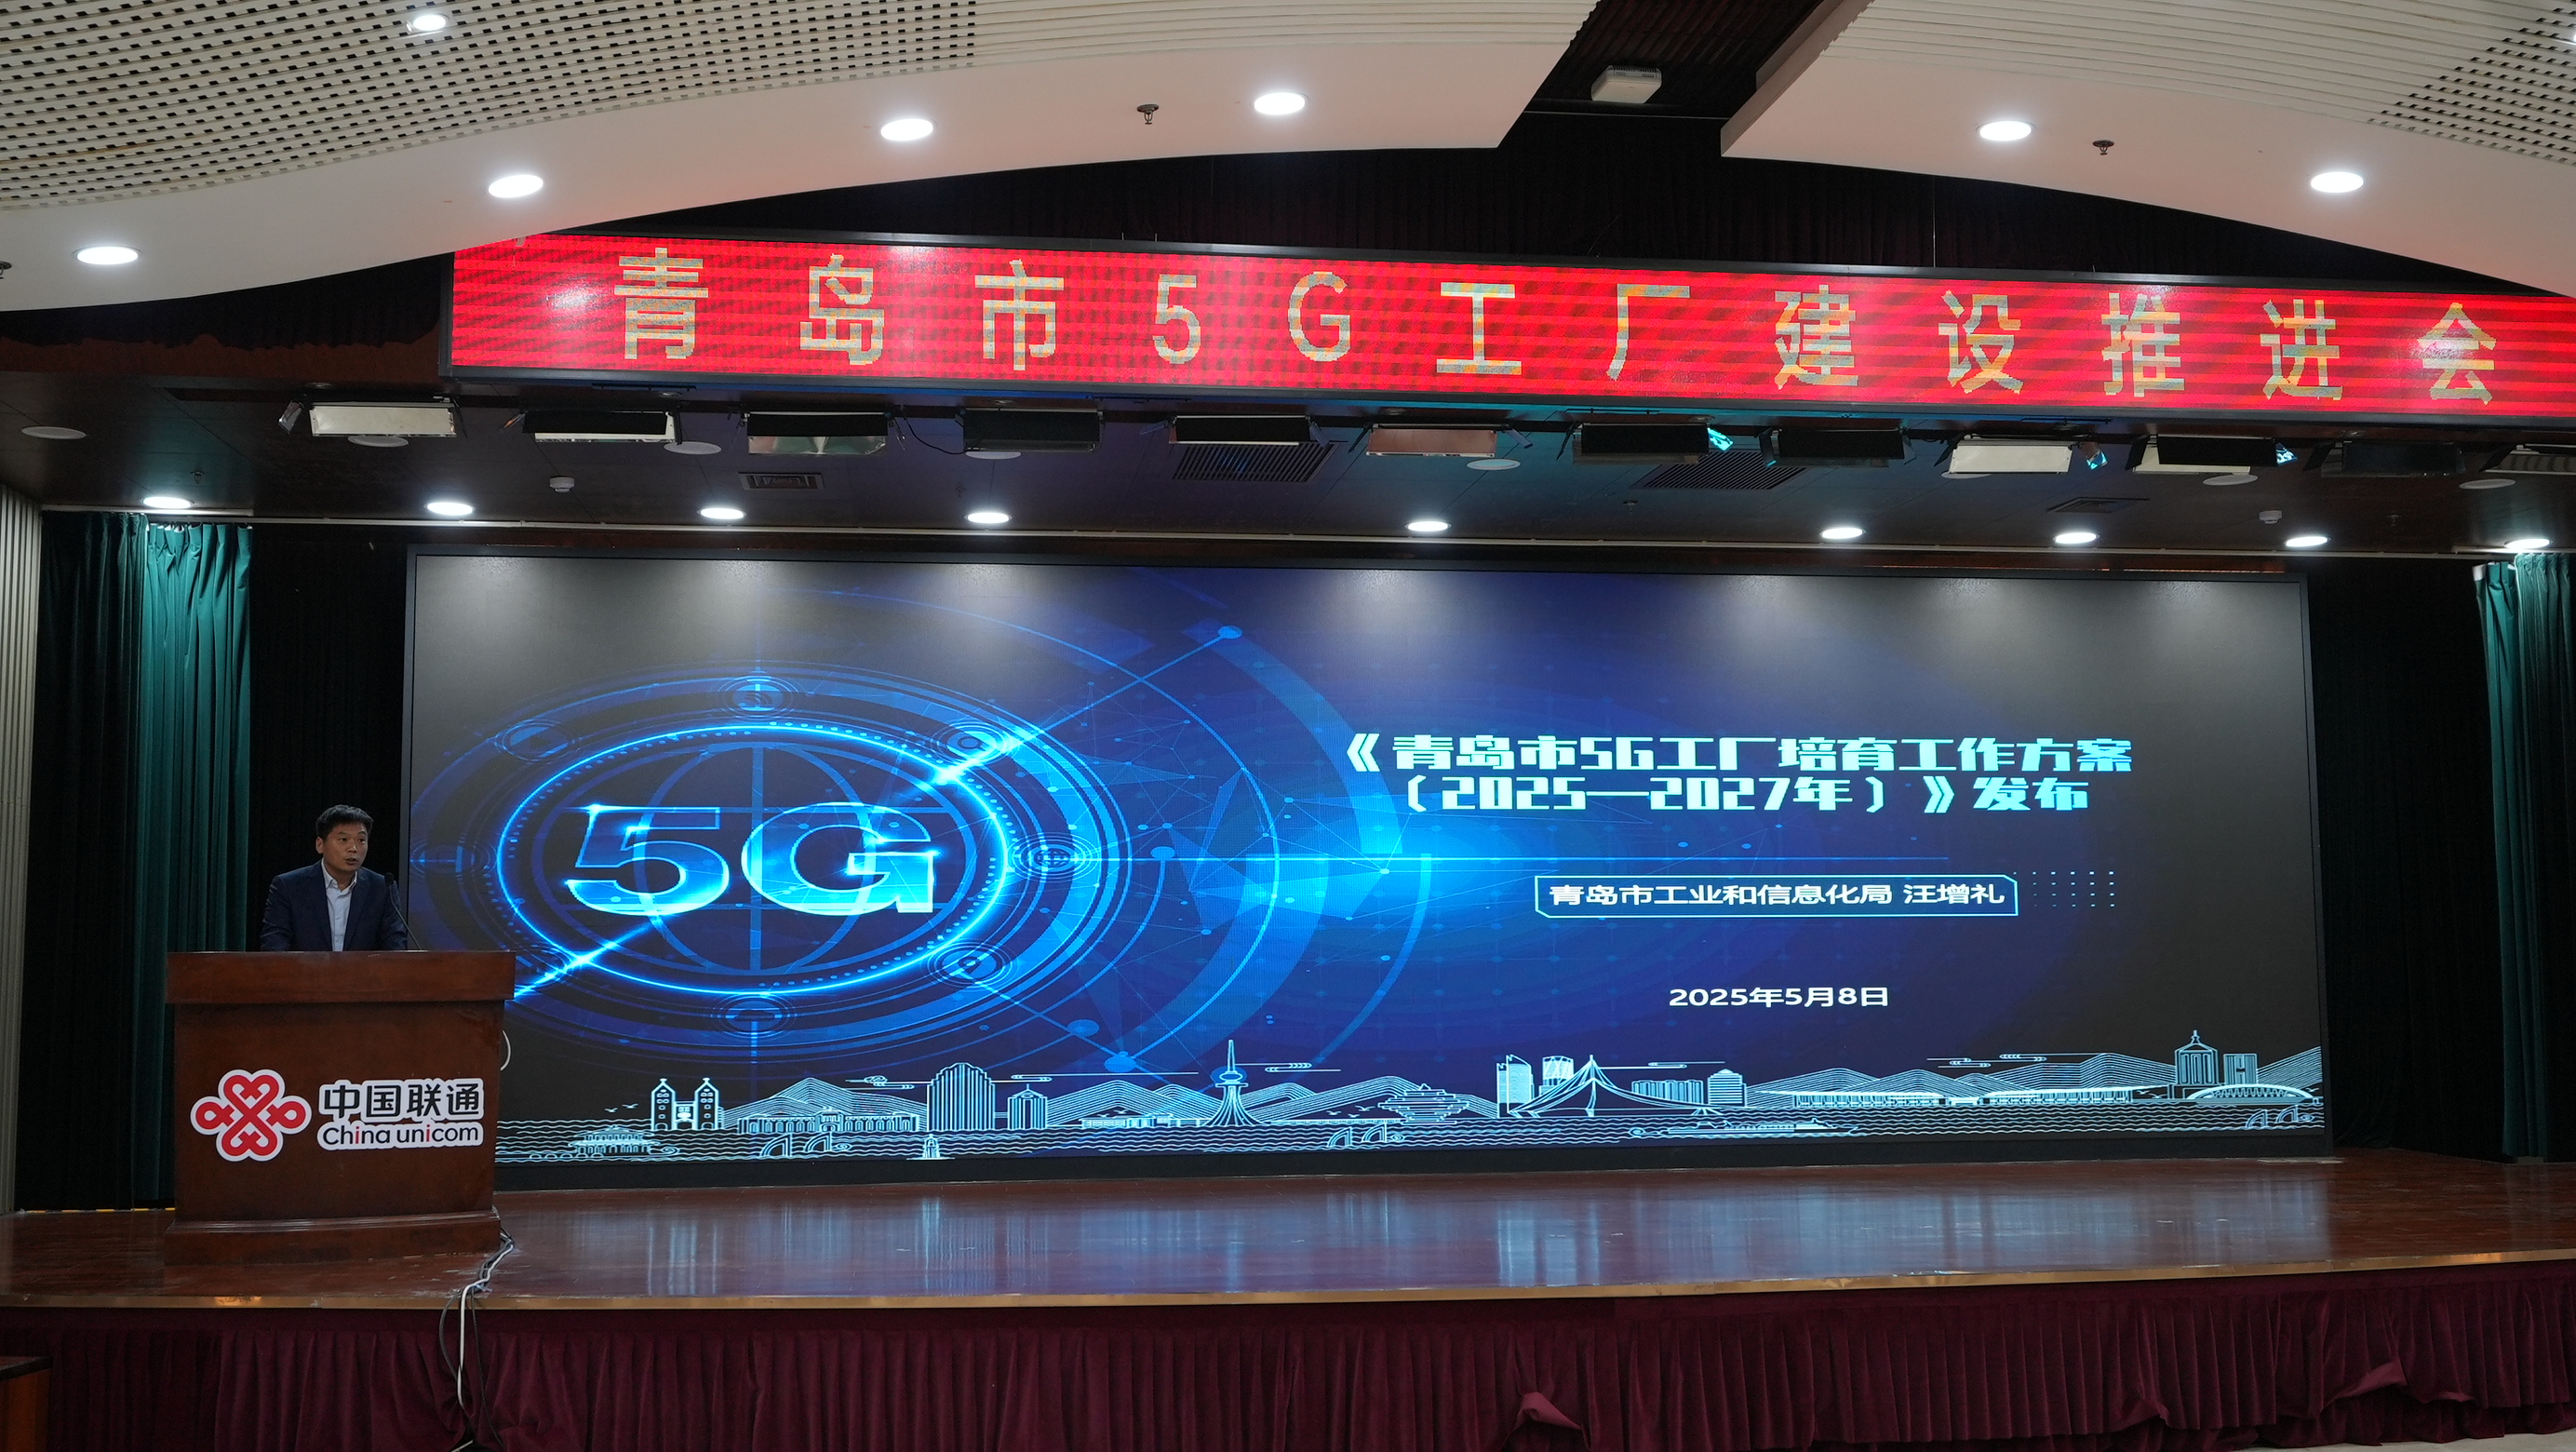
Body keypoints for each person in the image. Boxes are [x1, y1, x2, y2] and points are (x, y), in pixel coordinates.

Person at [259, 805, 411, 951]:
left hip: (364, 971)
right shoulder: (289, 887)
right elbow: (274, 945)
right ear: (320, 845)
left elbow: (395, 944)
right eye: (343, 839)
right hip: (305, 970)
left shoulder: (382, 888)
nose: (353, 848)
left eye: (361, 840)